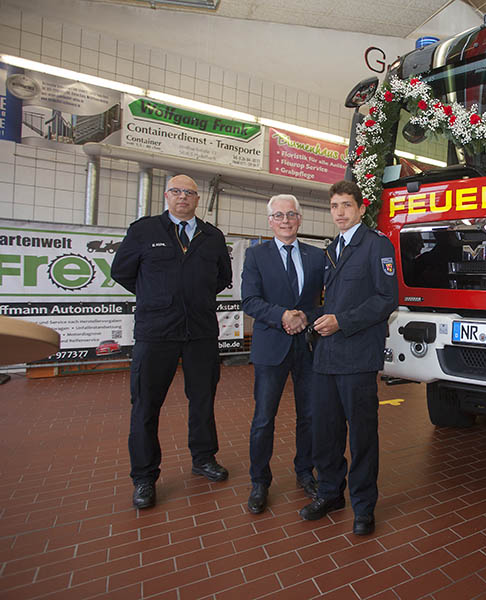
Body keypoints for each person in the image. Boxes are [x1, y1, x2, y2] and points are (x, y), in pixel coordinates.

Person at [111, 174, 232, 509]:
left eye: (190, 193)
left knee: (203, 399)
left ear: (197, 198)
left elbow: (223, 277)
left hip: (201, 332)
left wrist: (194, 297)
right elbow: (121, 271)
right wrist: (157, 296)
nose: (183, 197)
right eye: (177, 191)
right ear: (167, 196)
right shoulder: (144, 231)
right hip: (156, 331)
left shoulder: (212, 236)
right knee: (146, 405)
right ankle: (144, 477)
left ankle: (204, 457)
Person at [299, 180, 398, 536]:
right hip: (325, 356)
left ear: (361, 207)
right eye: (334, 206)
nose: (339, 212)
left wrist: (342, 321)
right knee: (325, 432)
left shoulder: (376, 246)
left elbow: (386, 299)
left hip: (357, 355)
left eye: (345, 205)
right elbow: (330, 299)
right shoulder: (330, 250)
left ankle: (363, 505)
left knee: (362, 436)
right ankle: (329, 493)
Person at [241, 194, 325, 514]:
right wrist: (282, 316)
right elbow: (249, 300)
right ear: (270, 221)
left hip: (307, 346)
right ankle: (259, 481)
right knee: (264, 418)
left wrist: (307, 316)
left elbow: (328, 299)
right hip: (270, 347)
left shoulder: (317, 257)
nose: (285, 220)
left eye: (291, 214)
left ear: (300, 219)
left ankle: (305, 471)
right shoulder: (256, 255)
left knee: (310, 415)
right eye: (279, 216)